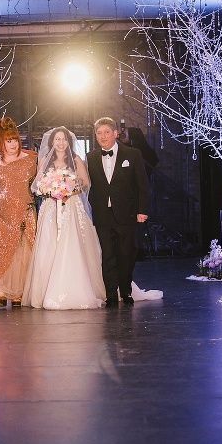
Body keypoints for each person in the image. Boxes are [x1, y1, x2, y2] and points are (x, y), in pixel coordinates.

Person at [22, 127, 106, 309]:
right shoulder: (44, 160)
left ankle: (75, 288)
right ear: (52, 142)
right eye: (57, 139)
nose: (61, 143)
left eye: (64, 139)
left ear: (69, 142)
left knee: (72, 243)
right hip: (51, 207)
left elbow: (85, 183)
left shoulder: (75, 159)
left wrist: (69, 189)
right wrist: (50, 190)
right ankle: (45, 291)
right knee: (49, 244)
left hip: (71, 206)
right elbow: (37, 185)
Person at [86, 117, 150, 306]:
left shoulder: (133, 154)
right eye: (99, 133)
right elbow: (89, 186)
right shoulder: (91, 157)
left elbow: (142, 185)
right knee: (108, 255)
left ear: (115, 133)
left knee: (126, 254)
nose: (103, 136)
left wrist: (142, 210)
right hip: (102, 214)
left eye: (107, 132)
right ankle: (111, 295)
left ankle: (126, 291)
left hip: (127, 213)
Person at [0, 118, 38, 308]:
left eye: (15, 140)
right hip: (0, 215)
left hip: (24, 213)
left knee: (23, 254)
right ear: (0, 142)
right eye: (8, 141)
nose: (13, 144)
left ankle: (19, 293)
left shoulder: (30, 160)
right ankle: (0, 292)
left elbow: (41, 182)